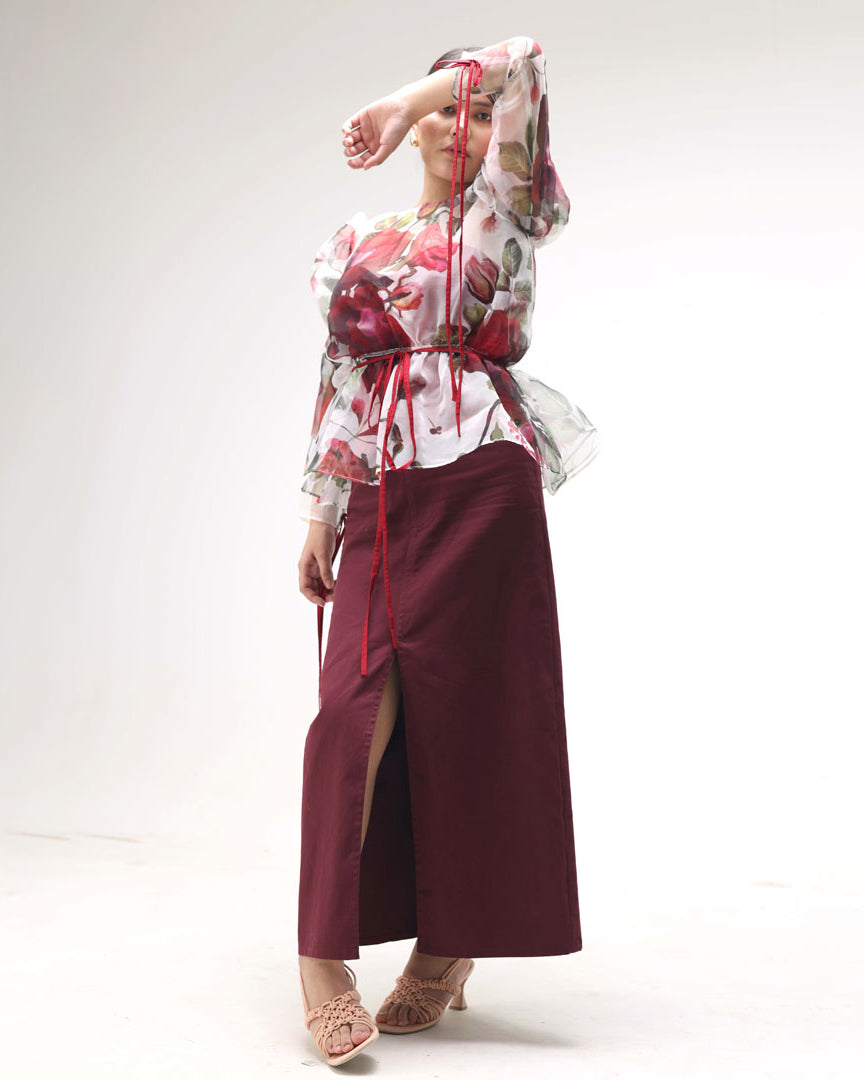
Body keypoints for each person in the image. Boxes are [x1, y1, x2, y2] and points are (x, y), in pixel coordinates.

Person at [295, 35, 600, 1066]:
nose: (457, 125)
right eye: (442, 111)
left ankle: (449, 947)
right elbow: (341, 379)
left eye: (469, 108)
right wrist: (320, 510)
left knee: (475, 716)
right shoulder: (359, 240)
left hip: (482, 480)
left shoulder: (506, 211)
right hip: (382, 485)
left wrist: (405, 98)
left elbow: (524, 60)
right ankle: (321, 959)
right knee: (350, 707)